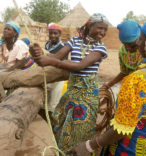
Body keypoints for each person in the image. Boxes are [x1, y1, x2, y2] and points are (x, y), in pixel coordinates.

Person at [72, 16, 146, 156]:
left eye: (140, 38)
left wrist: (90, 146)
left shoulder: (138, 79)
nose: (138, 43)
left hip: (130, 147)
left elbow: (121, 129)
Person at [30, 13, 109, 155]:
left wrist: (52, 61)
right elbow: (55, 57)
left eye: (105, 29)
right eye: (99, 28)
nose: (102, 32)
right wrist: (38, 54)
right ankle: (63, 151)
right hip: (73, 90)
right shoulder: (75, 41)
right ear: (90, 26)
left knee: (80, 128)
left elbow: (80, 66)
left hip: (87, 93)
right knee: (60, 122)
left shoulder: (101, 48)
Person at [102, 19, 142, 89]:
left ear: (140, 38)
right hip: (130, 87)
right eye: (125, 44)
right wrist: (109, 85)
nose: (128, 48)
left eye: (133, 46)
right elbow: (124, 72)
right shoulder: (122, 51)